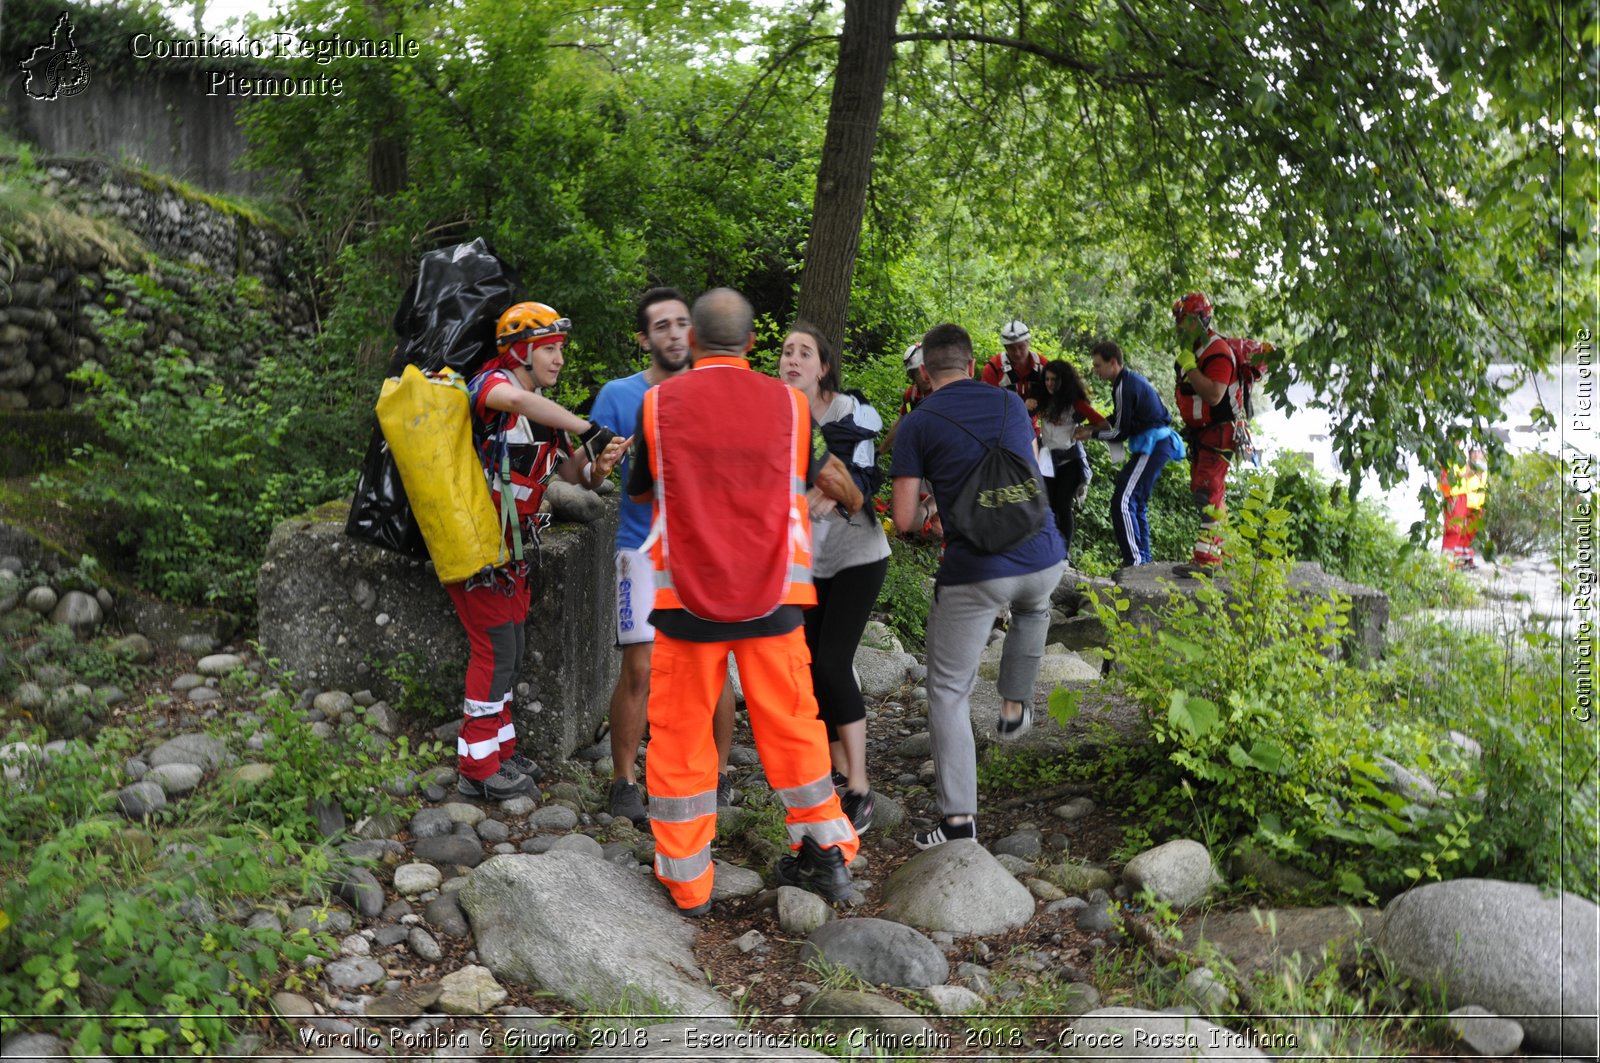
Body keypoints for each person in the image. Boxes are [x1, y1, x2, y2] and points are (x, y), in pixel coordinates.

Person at [628, 288, 859, 915]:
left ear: (693, 343)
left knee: (680, 737)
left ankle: (688, 882)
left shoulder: (657, 405)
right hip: (775, 598)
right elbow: (823, 476)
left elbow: (642, 490)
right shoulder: (790, 406)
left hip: (686, 604)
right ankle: (826, 856)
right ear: (754, 344)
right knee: (793, 727)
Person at [889, 323, 1066, 849]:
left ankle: (959, 821)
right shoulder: (1011, 404)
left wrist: (931, 507)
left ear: (925, 372)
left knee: (946, 692)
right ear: (971, 366)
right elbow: (1023, 471)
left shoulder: (919, 423)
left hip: (977, 572)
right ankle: (1014, 706)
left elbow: (902, 519)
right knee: (1034, 610)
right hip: (1044, 554)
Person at [453, 301, 629, 801]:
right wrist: (583, 426)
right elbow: (518, 403)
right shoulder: (490, 385)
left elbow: (570, 476)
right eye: (550, 349)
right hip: (476, 545)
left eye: (560, 350)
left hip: (509, 549)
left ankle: (500, 751)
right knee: (495, 648)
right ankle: (477, 764)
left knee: (512, 647)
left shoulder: (546, 416)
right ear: (521, 351)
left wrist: (600, 462)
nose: (559, 360)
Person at [588, 287, 738, 826]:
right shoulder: (618, 396)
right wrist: (597, 470)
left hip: (705, 551)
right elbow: (576, 474)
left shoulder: (715, 391)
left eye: (682, 324)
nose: (675, 334)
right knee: (641, 666)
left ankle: (717, 775)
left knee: (715, 666)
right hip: (640, 550)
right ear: (644, 338)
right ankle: (624, 780)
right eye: (663, 326)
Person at [778, 321, 890, 833]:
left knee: (832, 664)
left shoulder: (852, 410)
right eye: (786, 352)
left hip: (859, 557)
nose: (793, 360)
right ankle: (834, 771)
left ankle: (861, 785)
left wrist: (826, 487)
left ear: (823, 367)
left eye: (805, 353)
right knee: (807, 665)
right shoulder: (773, 415)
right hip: (807, 565)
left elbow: (859, 486)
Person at [1074, 340, 1184, 568]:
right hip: (1156, 444)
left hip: (1154, 444)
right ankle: (1144, 562)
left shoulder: (1125, 385)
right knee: (1137, 502)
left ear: (1113, 363)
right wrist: (1093, 426)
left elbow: (1119, 433)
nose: (1095, 371)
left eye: (1097, 365)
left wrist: (1090, 435)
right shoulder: (1124, 383)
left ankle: (1134, 562)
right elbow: (1119, 418)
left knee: (1122, 500)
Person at [1171, 292, 1241, 575]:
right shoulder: (1196, 350)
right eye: (1177, 320)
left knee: (1207, 491)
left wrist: (1189, 367)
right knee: (1209, 492)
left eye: (1184, 320)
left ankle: (1207, 561)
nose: (1179, 326)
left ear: (1201, 320)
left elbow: (1214, 395)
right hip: (1202, 434)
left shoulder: (1217, 351)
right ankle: (1224, 552)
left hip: (1220, 432)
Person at [1038, 359, 1106, 566]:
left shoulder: (1074, 404)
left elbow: (1103, 423)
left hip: (1070, 460)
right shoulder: (1041, 398)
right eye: (1047, 379)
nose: (1049, 384)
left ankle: (1063, 555)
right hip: (1048, 459)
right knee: (1047, 507)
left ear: (1063, 381)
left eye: (1054, 380)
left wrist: (1087, 432)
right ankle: (1048, 552)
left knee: (1062, 506)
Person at [981, 319, 1047, 415]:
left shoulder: (1042, 365)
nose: (1017, 353)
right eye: (1012, 348)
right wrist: (1021, 406)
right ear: (1006, 348)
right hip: (1004, 424)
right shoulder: (993, 369)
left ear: (1028, 343)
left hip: (1032, 424)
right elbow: (988, 404)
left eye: (1021, 347)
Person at [1440, 447, 1488, 567]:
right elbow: (1445, 481)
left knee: (1469, 533)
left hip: (1474, 502)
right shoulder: (1452, 462)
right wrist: (1466, 475)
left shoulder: (1482, 468)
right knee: (1454, 530)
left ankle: (1465, 559)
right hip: (1456, 497)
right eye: (1474, 452)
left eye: (1479, 452)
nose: (1476, 455)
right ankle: (1448, 562)